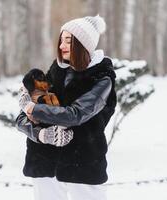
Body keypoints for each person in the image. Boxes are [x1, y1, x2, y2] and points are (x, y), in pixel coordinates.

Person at [16, 15, 117, 200]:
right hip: (45, 161)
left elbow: (76, 114)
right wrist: (40, 135)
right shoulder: (56, 71)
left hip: (82, 163)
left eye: (68, 41)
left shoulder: (101, 78)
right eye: (61, 40)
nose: (61, 46)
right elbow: (20, 118)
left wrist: (32, 108)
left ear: (83, 45)